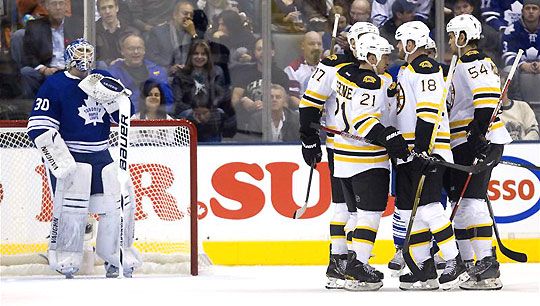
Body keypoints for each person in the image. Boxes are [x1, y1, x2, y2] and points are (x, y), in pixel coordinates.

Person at [26, 38, 141, 278]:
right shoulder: (54, 85)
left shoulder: (101, 78)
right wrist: (58, 159)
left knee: (120, 203)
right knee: (71, 210)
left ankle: (117, 255)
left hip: (102, 155)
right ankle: (66, 258)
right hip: (71, 155)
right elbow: (38, 128)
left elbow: (126, 114)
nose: (85, 57)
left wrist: (113, 98)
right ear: (69, 56)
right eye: (80, 52)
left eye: (89, 52)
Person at [298, 21, 380, 289]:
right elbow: (309, 103)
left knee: (348, 208)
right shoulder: (333, 64)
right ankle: (343, 262)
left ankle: (342, 262)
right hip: (341, 146)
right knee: (347, 208)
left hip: (354, 145)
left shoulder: (365, 68)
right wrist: (309, 140)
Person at [330, 33, 409, 291]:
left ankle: (348, 262)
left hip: (342, 156)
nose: (388, 60)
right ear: (371, 57)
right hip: (366, 159)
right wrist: (390, 136)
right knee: (370, 215)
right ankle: (358, 266)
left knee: (355, 214)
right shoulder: (369, 80)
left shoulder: (345, 75)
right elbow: (363, 121)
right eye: (384, 56)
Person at [393, 21, 467, 290]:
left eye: (402, 42)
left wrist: (423, 149)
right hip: (413, 150)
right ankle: (423, 267)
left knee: (429, 207)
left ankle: (453, 258)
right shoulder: (407, 70)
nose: (399, 47)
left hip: (428, 149)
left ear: (411, 43)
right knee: (414, 210)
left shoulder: (425, 68)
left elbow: (427, 112)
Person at [446, 14, 513, 290]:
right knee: (459, 203)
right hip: (464, 141)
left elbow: (485, 102)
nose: (450, 41)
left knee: (471, 201)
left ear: (463, 37)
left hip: (476, 140)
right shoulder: (462, 62)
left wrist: (476, 134)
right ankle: (468, 260)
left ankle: (486, 263)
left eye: (452, 36)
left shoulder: (475, 61)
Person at [173, 39, 235, 142]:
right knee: (190, 116)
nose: (199, 57)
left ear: (208, 57)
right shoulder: (181, 74)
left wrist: (206, 112)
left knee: (217, 114)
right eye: (196, 54)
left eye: (203, 54)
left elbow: (220, 98)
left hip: (210, 113)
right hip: (188, 113)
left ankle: (212, 149)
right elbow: (178, 103)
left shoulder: (217, 72)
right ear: (190, 56)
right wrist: (197, 112)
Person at [20, 0, 82, 96]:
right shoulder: (34, 26)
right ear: (46, 7)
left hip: (70, 71)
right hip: (47, 71)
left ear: (66, 6)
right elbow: (28, 55)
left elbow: (85, 50)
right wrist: (44, 70)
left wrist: (73, 68)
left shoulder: (78, 24)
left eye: (61, 3)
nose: (58, 7)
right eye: (53, 4)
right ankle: (35, 106)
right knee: (26, 72)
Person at [107, 33, 173, 113]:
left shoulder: (158, 72)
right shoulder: (112, 74)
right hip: (126, 120)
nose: (136, 52)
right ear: (122, 51)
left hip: (154, 119)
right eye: (131, 48)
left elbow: (168, 102)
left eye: (139, 48)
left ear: (144, 50)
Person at [146, 1, 199, 72]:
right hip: (165, 74)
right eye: (185, 13)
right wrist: (169, 68)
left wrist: (193, 34)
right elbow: (152, 57)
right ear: (175, 15)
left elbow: (201, 53)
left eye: (191, 15)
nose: (188, 17)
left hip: (189, 75)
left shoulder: (194, 33)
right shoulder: (158, 32)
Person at [95, 0, 140, 67]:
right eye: (103, 8)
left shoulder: (131, 32)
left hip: (127, 68)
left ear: (117, 8)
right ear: (99, 12)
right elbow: (91, 57)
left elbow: (138, 55)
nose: (107, 11)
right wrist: (110, 63)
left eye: (110, 7)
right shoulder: (93, 32)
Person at [284, 31, 323, 106]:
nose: (316, 47)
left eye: (319, 44)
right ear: (302, 46)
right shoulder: (292, 69)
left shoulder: (330, 67)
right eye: (312, 44)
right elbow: (293, 98)